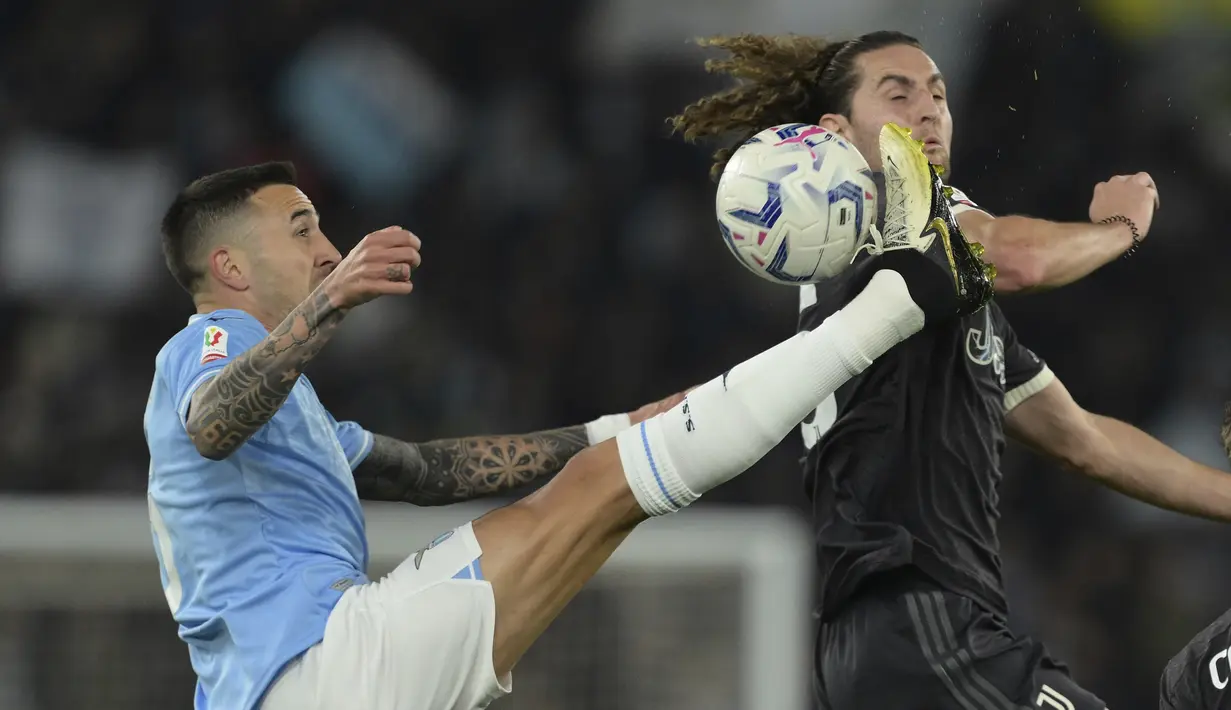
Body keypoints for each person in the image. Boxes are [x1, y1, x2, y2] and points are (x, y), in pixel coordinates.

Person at [143, 125, 989, 710]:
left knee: (604, 483)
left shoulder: (291, 408)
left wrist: (614, 427)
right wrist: (328, 302)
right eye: (302, 231)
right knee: (603, 493)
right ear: (229, 265)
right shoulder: (210, 339)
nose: (326, 250)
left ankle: (897, 298)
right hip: (316, 672)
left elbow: (426, 472)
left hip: (320, 674)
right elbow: (212, 421)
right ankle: (905, 294)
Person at [672, 31, 1231, 710]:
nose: (928, 108)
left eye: (937, 92)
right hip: (921, 631)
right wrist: (1121, 226)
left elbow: (1085, 441)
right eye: (897, 92)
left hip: (890, 649)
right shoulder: (890, 224)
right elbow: (1020, 258)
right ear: (835, 135)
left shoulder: (928, 293)